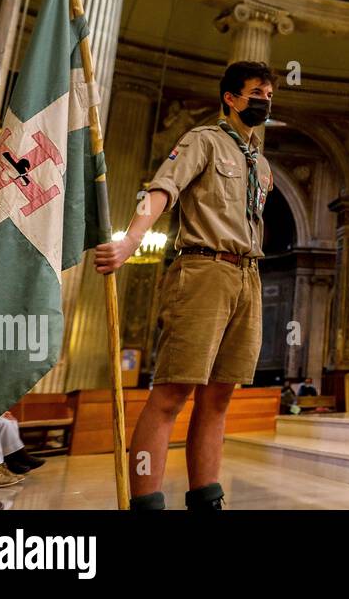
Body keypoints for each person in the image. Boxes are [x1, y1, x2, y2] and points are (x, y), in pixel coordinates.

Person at [95, 61, 276, 511]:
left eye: (270, 95)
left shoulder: (262, 164)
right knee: (172, 392)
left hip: (247, 275)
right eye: (256, 93)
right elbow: (163, 189)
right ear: (231, 98)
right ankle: (147, 503)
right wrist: (130, 241)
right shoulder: (204, 141)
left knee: (219, 397)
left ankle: (205, 499)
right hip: (203, 270)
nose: (265, 101)